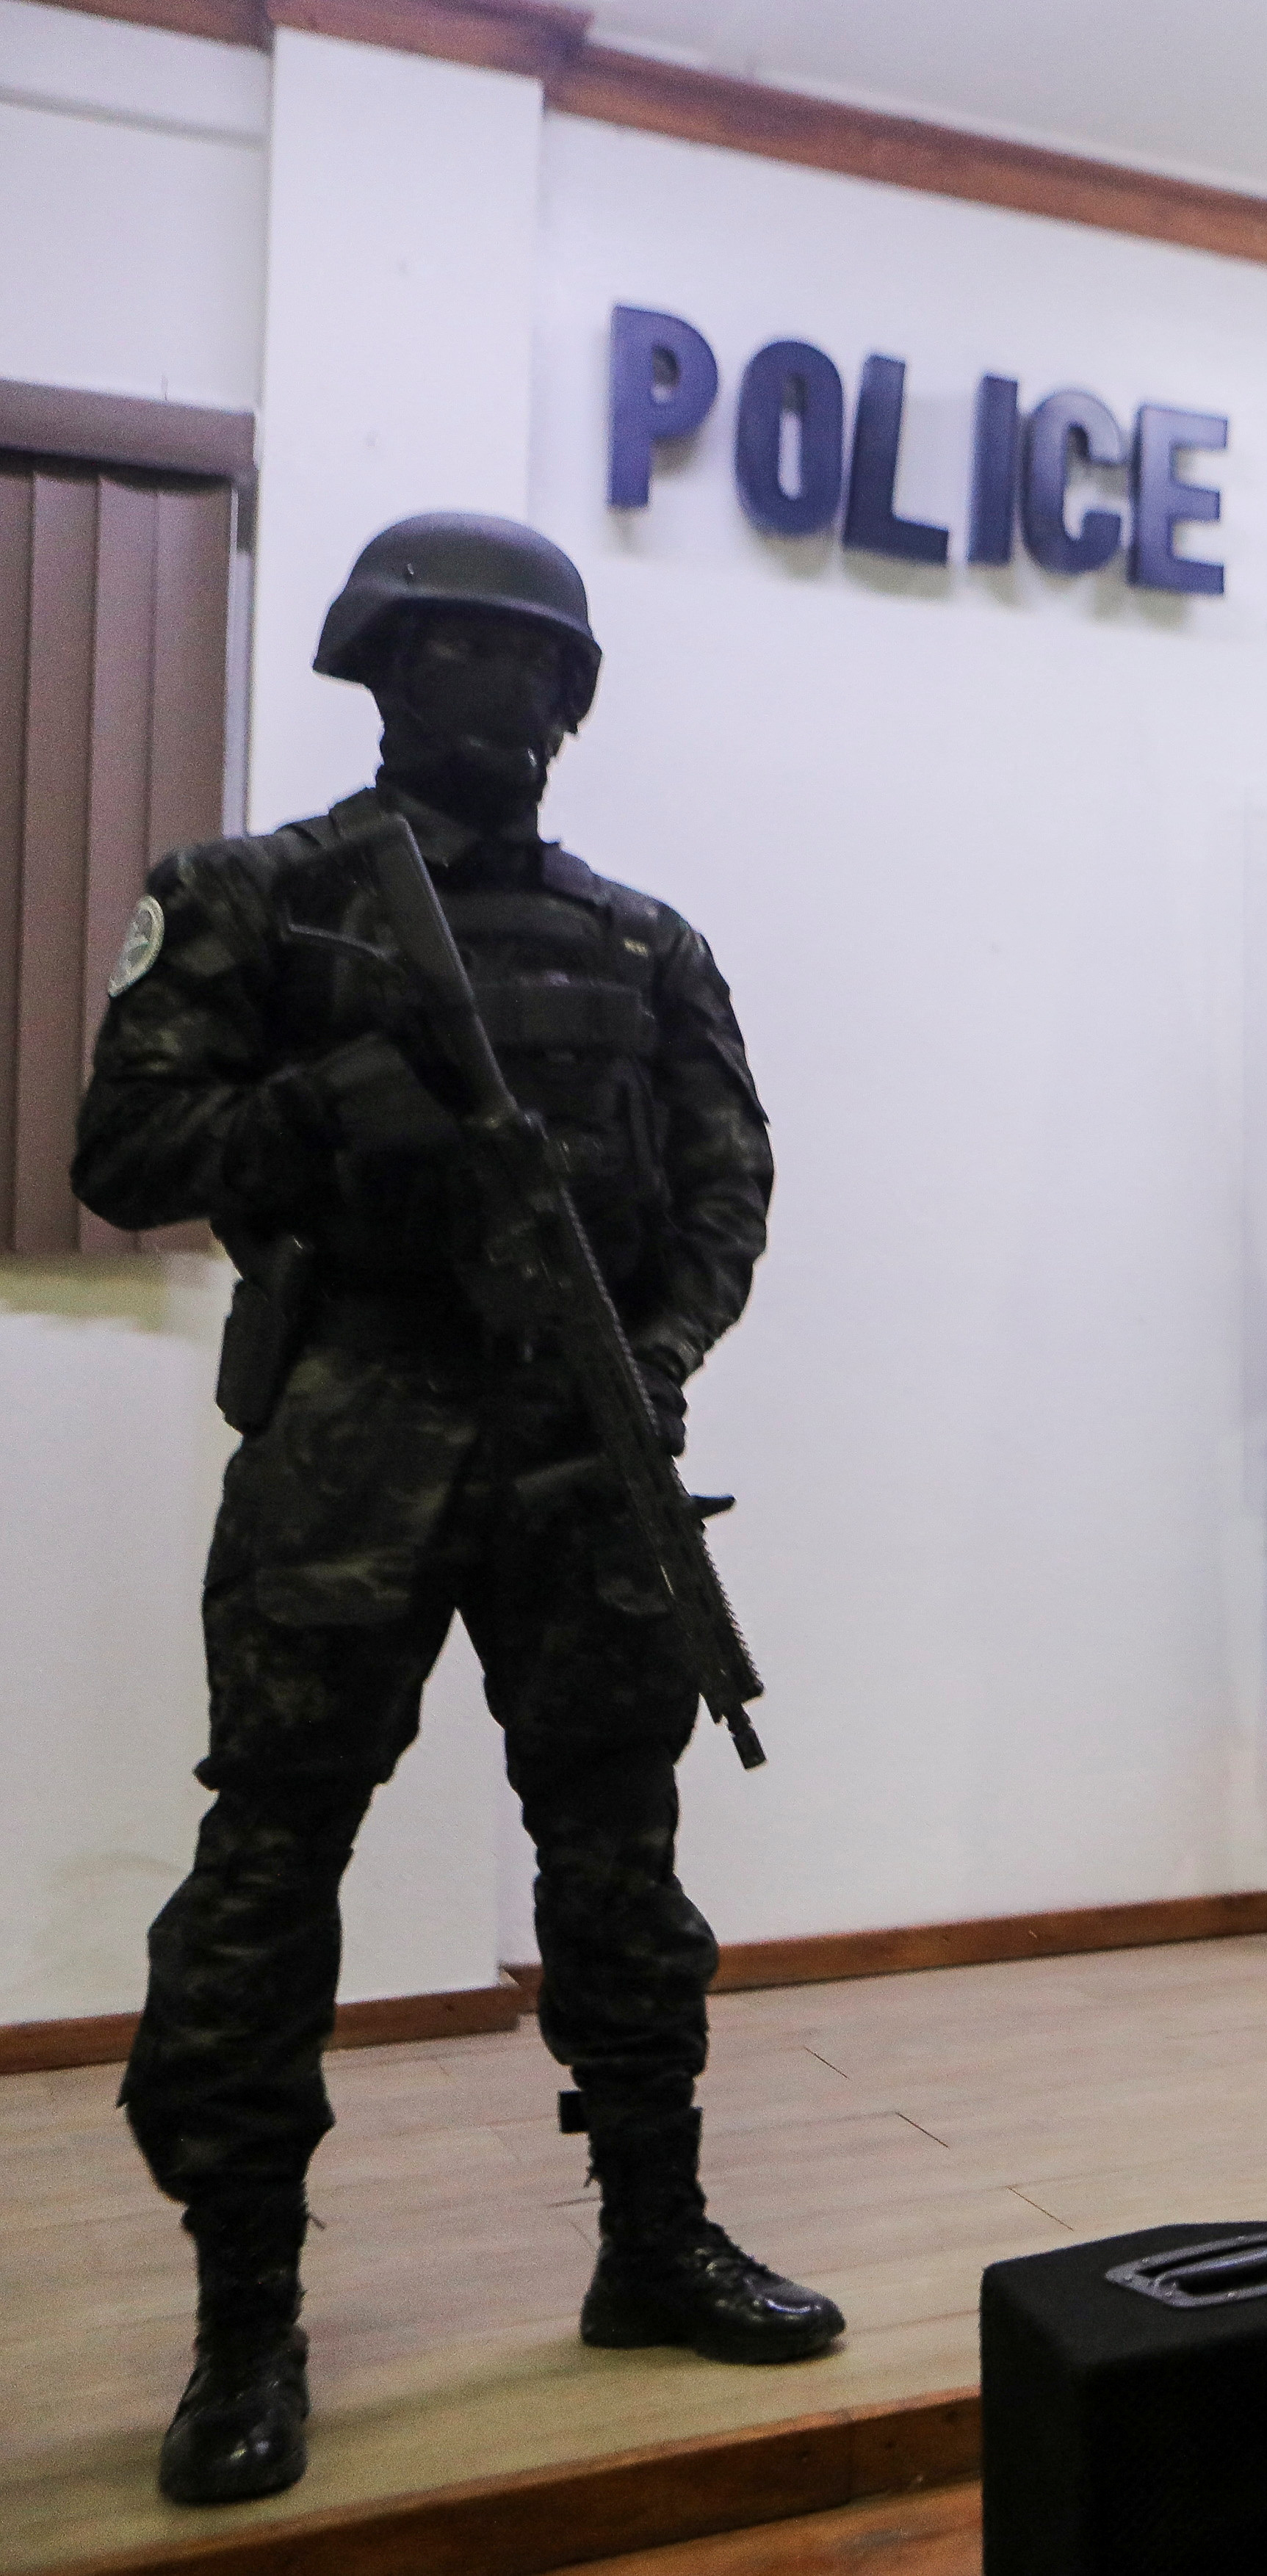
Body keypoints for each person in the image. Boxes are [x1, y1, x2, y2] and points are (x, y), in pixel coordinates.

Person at [75, 512, 839, 2508]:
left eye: (533, 662)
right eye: (458, 654)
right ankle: (247, 2316)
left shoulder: (640, 942)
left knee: (621, 1862)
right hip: (356, 1431)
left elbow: (725, 1183)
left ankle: (652, 2240)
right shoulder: (255, 901)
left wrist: (650, 1356)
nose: (500, 692)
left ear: (571, 698)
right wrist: (330, 1110)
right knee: (269, 1864)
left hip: (586, 1443)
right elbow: (125, 1145)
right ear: (382, 667)